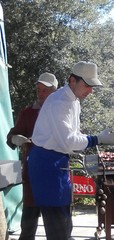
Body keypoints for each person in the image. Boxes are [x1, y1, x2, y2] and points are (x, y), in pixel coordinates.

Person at [27, 61, 114, 240]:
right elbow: (70, 141)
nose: (90, 91)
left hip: (58, 160)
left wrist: (92, 139)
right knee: (56, 223)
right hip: (46, 164)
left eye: (92, 86)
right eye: (87, 85)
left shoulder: (74, 101)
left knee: (65, 220)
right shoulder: (59, 102)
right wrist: (98, 139)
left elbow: (73, 134)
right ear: (72, 81)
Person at [6, 72, 59, 240]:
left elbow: (73, 137)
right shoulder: (28, 112)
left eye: (45, 90)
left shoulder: (62, 112)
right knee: (28, 226)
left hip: (54, 176)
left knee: (57, 228)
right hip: (32, 175)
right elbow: (12, 136)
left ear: (55, 92)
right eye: (38, 90)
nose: (41, 94)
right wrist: (15, 138)